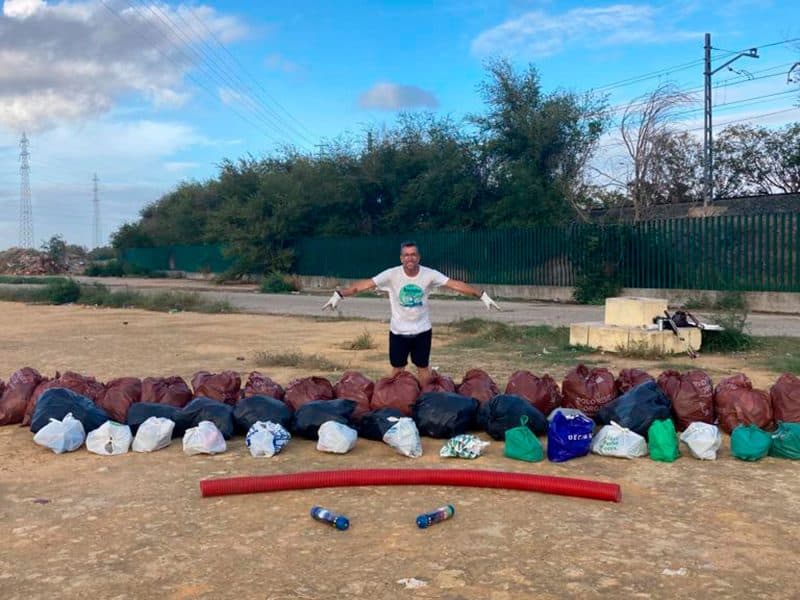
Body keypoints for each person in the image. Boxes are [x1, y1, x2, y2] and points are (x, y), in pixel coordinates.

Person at [322, 240, 500, 385]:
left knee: (423, 368)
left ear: (418, 257)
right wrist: (339, 294)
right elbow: (364, 285)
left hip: (422, 331)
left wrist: (481, 295)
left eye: (413, 254)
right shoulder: (391, 274)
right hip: (398, 331)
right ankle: (390, 398)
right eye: (406, 255)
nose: (410, 258)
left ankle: (425, 402)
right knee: (397, 370)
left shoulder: (429, 274)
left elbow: (454, 284)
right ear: (401, 258)